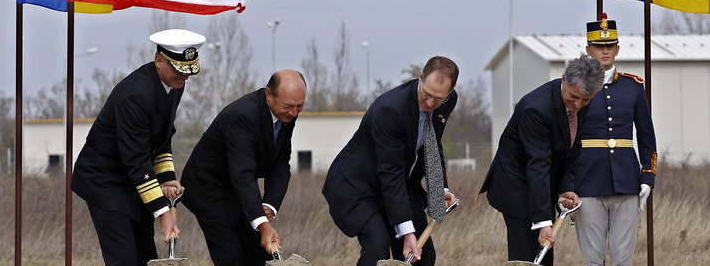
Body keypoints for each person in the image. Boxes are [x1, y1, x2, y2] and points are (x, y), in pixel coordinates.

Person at [71, 28, 206, 266]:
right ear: (158, 61)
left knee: (145, 255)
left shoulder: (174, 84)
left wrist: (166, 179)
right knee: (124, 257)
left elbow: (161, 140)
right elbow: (136, 159)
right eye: (178, 70)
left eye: (188, 72)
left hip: (135, 179)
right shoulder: (134, 95)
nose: (183, 78)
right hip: (105, 180)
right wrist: (163, 212)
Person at [322, 56, 459, 266]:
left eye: (438, 98)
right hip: (360, 186)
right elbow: (390, 172)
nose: (431, 103)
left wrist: (440, 189)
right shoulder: (390, 109)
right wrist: (406, 232)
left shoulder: (447, 101)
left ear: (451, 90)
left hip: (402, 185)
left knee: (423, 257)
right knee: (378, 248)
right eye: (427, 94)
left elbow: (432, 144)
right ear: (420, 78)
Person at [479, 54, 604, 266]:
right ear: (564, 79)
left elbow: (572, 148)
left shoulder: (582, 100)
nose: (578, 104)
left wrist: (566, 187)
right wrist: (543, 222)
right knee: (527, 257)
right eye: (573, 97)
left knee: (544, 256)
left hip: (541, 182)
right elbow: (538, 164)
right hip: (516, 184)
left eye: (585, 100)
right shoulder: (535, 108)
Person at [181, 69, 307, 266]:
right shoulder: (242, 116)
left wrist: (269, 206)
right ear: (269, 94)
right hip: (208, 187)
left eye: (300, 106)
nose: (294, 112)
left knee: (258, 252)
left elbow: (280, 163)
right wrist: (262, 224)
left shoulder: (287, 114)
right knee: (232, 255)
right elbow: (242, 173)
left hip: (238, 186)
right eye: (289, 106)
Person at [573, 14, 657, 266]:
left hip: (627, 180)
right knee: (593, 260)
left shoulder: (633, 87)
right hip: (587, 181)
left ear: (618, 48)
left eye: (610, 46)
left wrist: (648, 175)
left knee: (623, 259)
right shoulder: (575, 87)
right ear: (588, 50)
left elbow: (646, 135)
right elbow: (566, 137)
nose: (605, 51)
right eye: (599, 46)